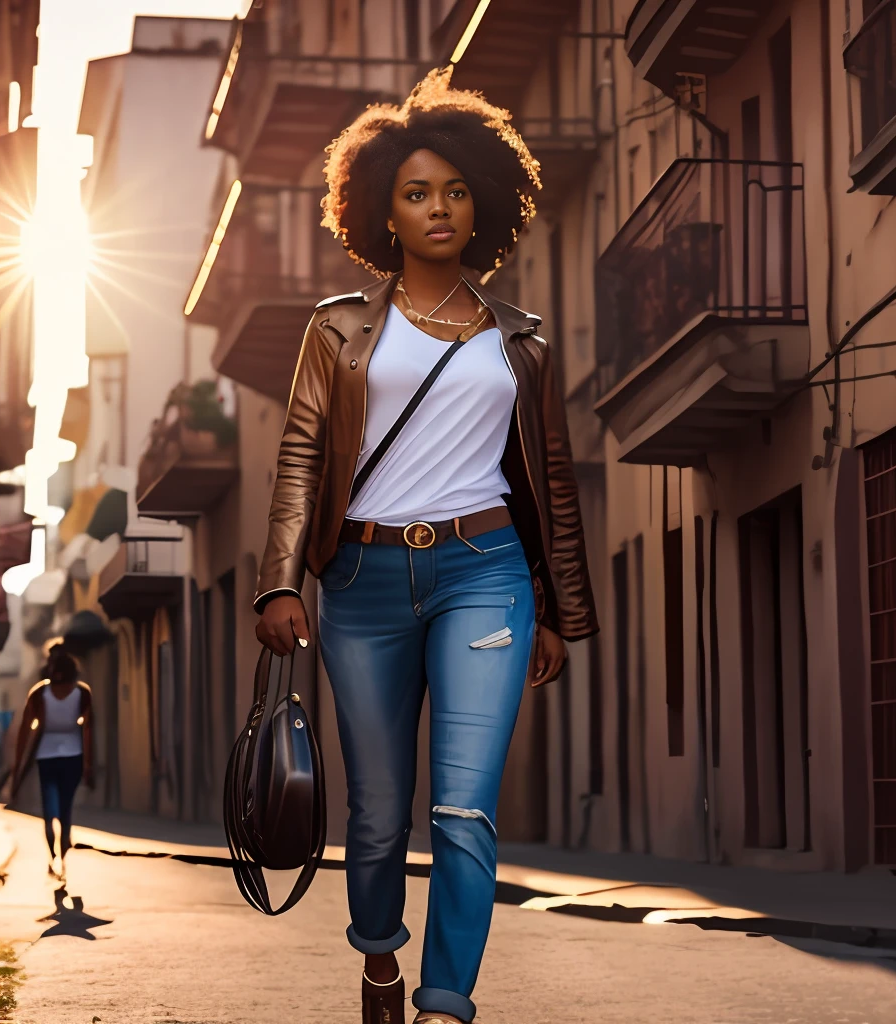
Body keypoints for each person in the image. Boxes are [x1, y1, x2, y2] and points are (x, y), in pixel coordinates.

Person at [253, 69, 599, 1024]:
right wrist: (282, 582)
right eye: (415, 193)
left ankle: (447, 1002)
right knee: (375, 815)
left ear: (481, 201)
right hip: (361, 578)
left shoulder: (519, 341)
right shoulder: (338, 330)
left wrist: (558, 609)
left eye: (453, 190)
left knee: (464, 809)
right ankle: (378, 959)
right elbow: (298, 458)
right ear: (383, 213)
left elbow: (550, 482)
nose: (438, 208)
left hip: (485, 573)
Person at [9, 645, 96, 882]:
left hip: (46, 756)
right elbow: (87, 732)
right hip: (74, 756)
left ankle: (51, 856)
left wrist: (17, 766)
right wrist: (89, 764)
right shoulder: (82, 694)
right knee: (66, 808)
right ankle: (64, 855)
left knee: (50, 808)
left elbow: (24, 732)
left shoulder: (39, 694)